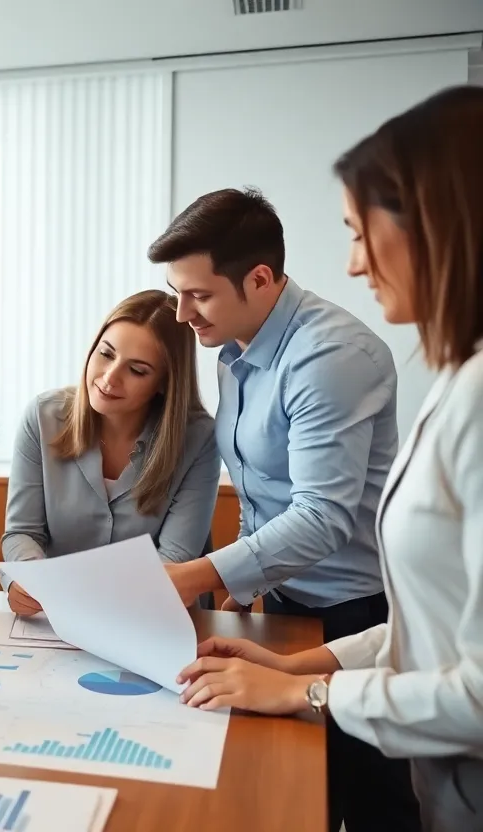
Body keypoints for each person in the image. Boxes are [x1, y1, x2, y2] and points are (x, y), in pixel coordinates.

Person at [176, 85, 483, 832]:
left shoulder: (363, 362)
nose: (351, 264)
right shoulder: (459, 378)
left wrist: (305, 692)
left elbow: (470, 683)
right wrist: (293, 668)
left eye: (358, 231)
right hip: (336, 641)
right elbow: (425, 626)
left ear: (438, 224)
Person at [147, 187, 419, 831]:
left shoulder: (331, 357)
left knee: (371, 799)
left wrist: (198, 574)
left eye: (199, 294)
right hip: (288, 601)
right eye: (175, 290)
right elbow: (259, 488)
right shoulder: (233, 348)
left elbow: (321, 516)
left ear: (260, 278)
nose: (181, 313)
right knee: (297, 792)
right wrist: (249, 583)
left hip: (360, 610)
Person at [1, 290, 220, 616]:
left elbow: (174, 559)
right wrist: (28, 579)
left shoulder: (199, 438)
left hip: (155, 618)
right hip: (59, 617)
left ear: (164, 382)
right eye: (106, 354)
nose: (109, 378)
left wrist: (98, 604)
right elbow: (22, 533)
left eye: (137, 370)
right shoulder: (43, 416)